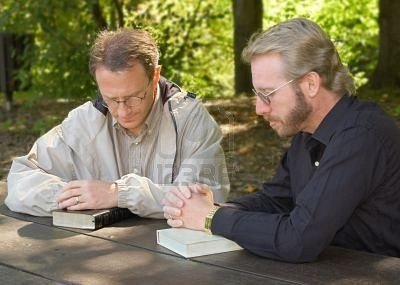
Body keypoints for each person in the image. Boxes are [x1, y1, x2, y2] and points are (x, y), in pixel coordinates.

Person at [163, 18, 400, 262]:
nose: (259, 108)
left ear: (310, 84)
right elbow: (276, 201)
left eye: (267, 94)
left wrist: (212, 218)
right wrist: (215, 209)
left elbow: (298, 240)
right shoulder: (306, 134)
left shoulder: (361, 136)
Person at [5, 28, 229, 218]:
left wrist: (118, 194)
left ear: (155, 76)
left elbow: (205, 202)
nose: (122, 111)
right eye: (111, 99)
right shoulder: (84, 122)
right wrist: (78, 196)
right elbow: (20, 180)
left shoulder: (190, 119)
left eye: (133, 97)